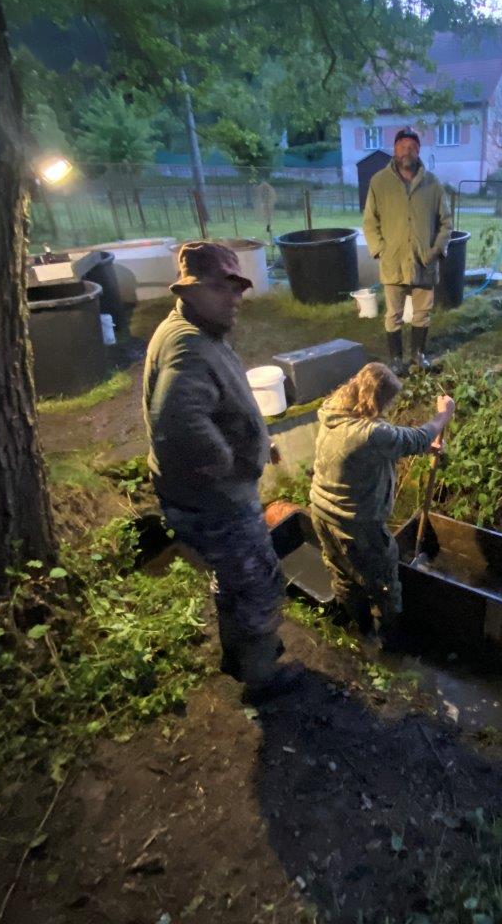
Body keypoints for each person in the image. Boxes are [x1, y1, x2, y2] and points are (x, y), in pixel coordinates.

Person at [143, 241, 302, 702]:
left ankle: (239, 658)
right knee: (259, 585)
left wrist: (259, 442)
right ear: (189, 291)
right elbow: (178, 422)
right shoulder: (188, 346)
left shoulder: (197, 332)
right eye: (222, 288)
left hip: (204, 499)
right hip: (217, 504)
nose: (235, 298)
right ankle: (261, 679)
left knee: (233, 579)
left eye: (238, 288)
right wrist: (230, 465)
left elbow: (214, 407)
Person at [309, 364, 455, 645]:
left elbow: (373, 449)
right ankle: (387, 645)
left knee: (344, 575)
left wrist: (424, 447)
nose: (389, 407)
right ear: (377, 399)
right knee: (385, 586)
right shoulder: (369, 433)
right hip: (355, 526)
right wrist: (443, 414)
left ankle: (358, 633)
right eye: (388, 401)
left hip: (321, 513)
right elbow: (415, 437)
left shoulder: (334, 412)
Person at [363, 127, 453, 376]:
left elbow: (446, 222)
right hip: (393, 261)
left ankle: (418, 355)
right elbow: (369, 222)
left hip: (425, 260)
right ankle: (395, 359)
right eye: (402, 146)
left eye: (412, 147)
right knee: (394, 313)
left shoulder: (433, 184)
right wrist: (380, 249)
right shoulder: (379, 182)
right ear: (395, 149)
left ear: (419, 151)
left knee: (422, 312)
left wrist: (437, 249)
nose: (407, 151)